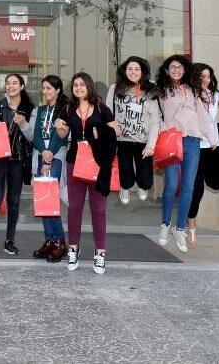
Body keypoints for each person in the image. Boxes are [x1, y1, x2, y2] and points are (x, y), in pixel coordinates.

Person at [149, 54, 217, 254]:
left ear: (185, 70)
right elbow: (156, 117)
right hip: (171, 139)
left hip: (193, 140)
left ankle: (180, 229)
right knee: (171, 185)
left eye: (180, 67)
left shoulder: (192, 90)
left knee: (188, 186)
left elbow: (202, 116)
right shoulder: (160, 90)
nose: (176, 70)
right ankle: (165, 225)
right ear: (166, 70)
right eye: (172, 67)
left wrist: (212, 138)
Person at [53, 72, 118, 274]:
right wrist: (58, 126)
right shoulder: (67, 109)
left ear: (89, 86)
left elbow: (116, 130)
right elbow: (62, 134)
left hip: (98, 164)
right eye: (75, 85)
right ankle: (73, 248)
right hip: (75, 163)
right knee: (74, 208)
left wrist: (106, 130)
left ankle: (100, 253)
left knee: (98, 209)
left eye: (82, 84)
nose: (78, 88)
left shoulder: (101, 108)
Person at [19, 75, 69, 263]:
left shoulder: (64, 109)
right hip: (40, 156)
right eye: (43, 88)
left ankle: (60, 243)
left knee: (50, 199)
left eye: (49, 88)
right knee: (43, 200)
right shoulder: (40, 110)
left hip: (56, 157)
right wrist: (43, 150)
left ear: (57, 90)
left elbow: (62, 135)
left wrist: (50, 152)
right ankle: (49, 240)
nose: (45, 91)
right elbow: (36, 136)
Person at [0, 73, 34, 257]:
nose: (11, 86)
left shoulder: (30, 109)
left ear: (21, 86)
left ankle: (9, 241)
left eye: (15, 83)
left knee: (13, 200)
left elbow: (32, 137)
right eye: (8, 83)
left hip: (18, 161)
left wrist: (24, 124)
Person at [105, 57, 159, 205]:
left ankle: (143, 187)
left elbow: (155, 120)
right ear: (124, 70)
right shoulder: (115, 88)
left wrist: (151, 145)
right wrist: (111, 132)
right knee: (126, 172)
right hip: (122, 139)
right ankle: (125, 187)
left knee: (146, 178)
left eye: (137, 69)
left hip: (143, 140)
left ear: (143, 72)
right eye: (130, 69)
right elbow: (108, 113)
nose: (133, 72)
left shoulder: (151, 90)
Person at [186, 62, 219, 248]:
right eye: (201, 76)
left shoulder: (217, 95)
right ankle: (191, 227)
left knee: (218, 183)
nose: (205, 80)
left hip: (213, 146)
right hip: (196, 145)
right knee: (197, 189)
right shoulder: (189, 94)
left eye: (208, 76)